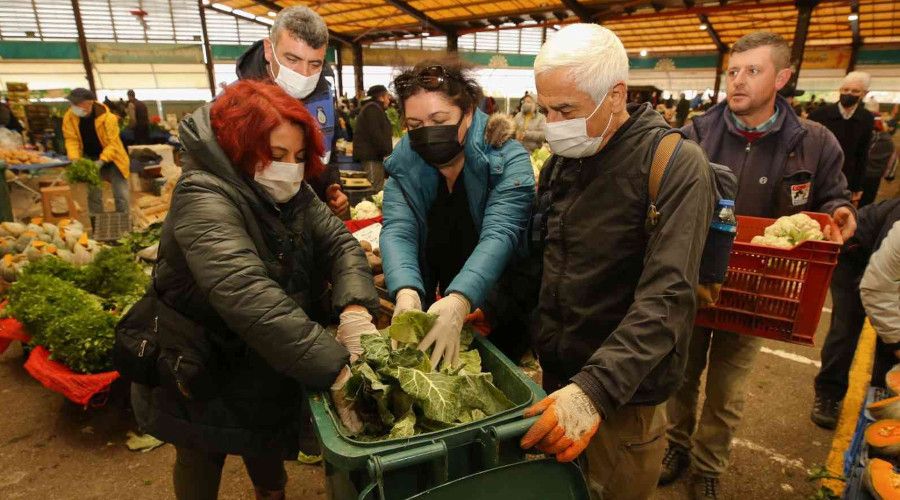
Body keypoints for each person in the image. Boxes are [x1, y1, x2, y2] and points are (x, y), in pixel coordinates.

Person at [131, 80, 380, 500]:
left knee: (260, 435)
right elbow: (249, 295)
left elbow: (339, 243)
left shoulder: (292, 192)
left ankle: (271, 494)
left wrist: (355, 308)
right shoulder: (203, 196)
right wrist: (336, 367)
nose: (290, 168)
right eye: (276, 155)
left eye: (299, 157)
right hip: (196, 356)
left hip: (256, 352)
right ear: (240, 147)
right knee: (200, 449)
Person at [518, 24, 716, 500]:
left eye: (566, 110)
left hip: (624, 397)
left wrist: (594, 391)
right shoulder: (563, 162)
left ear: (615, 95)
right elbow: (544, 259)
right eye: (545, 109)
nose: (552, 123)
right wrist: (497, 308)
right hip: (559, 381)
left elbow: (668, 299)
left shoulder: (674, 165)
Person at [662, 32, 856, 499]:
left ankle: (709, 465)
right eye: (734, 71)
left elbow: (832, 195)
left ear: (782, 78)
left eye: (753, 70)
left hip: (760, 288)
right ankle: (675, 445)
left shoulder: (813, 143)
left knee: (728, 389)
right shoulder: (697, 133)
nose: (739, 80)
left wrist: (839, 212)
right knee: (680, 375)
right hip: (696, 275)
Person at [381, 60, 534, 369]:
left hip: (500, 304)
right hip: (443, 305)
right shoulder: (403, 167)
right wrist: (407, 290)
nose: (428, 132)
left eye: (439, 119)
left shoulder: (506, 160)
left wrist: (463, 298)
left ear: (467, 112)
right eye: (415, 126)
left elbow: (501, 233)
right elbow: (398, 229)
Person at [236, 6, 349, 218]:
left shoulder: (322, 99)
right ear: (269, 50)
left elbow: (326, 155)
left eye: (315, 63)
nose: (304, 74)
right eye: (292, 60)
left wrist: (331, 187)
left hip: (309, 222)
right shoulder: (237, 106)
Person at [813, 198, 900, 428]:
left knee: (891, 339)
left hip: (887, 271)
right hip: (856, 257)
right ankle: (828, 394)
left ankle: (882, 400)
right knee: (847, 328)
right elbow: (874, 285)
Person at [809, 72, 875, 206]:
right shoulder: (819, 115)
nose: (849, 93)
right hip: (818, 174)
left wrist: (858, 186)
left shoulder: (866, 118)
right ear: (840, 90)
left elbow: (863, 154)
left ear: (864, 94)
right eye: (846, 89)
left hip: (847, 177)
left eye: (855, 91)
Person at [61, 88, 130, 214]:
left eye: (76, 104)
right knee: (93, 196)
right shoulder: (69, 117)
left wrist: (101, 161)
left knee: (121, 195)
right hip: (90, 158)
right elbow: (71, 139)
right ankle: (96, 224)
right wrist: (74, 158)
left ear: (89, 103)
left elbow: (113, 143)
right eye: (72, 103)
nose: (73, 107)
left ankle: (125, 223)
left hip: (114, 159)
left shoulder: (108, 118)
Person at [861, 221, 900, 374]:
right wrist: (897, 343)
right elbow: (877, 290)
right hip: (858, 253)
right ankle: (830, 391)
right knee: (847, 326)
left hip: (888, 279)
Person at [352, 85, 393, 191]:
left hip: (375, 157)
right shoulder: (372, 109)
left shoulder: (374, 108)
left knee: (376, 188)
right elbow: (376, 134)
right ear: (381, 97)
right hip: (371, 158)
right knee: (374, 190)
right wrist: (387, 152)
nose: (389, 100)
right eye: (387, 97)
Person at [859, 117, 896, 207]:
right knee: (868, 200)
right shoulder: (889, 142)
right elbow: (892, 160)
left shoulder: (867, 138)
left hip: (862, 173)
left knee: (855, 198)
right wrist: (889, 176)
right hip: (876, 176)